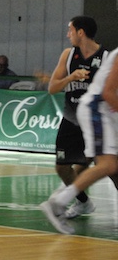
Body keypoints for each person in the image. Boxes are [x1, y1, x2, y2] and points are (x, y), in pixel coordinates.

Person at [40, 47, 118, 234]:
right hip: (96, 109)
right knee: (107, 165)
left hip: (103, 111)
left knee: (109, 165)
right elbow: (108, 93)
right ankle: (59, 202)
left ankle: (62, 201)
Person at [47, 16, 107, 219]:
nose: (68, 35)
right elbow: (52, 88)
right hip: (71, 119)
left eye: (70, 30)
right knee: (62, 167)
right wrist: (71, 77)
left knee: (110, 169)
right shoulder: (68, 55)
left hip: (97, 122)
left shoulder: (107, 58)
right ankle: (83, 203)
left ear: (80, 32)